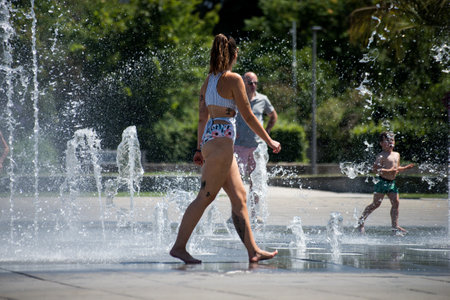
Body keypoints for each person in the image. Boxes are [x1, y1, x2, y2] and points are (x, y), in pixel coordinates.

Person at [170, 34, 281, 264]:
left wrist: (200, 148)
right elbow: (249, 116)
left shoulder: (208, 81)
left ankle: (253, 250)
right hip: (222, 145)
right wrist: (269, 140)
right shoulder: (233, 79)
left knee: (240, 197)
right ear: (234, 55)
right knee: (205, 197)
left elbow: (202, 118)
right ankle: (179, 247)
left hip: (213, 139)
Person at [234, 72, 278, 221]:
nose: (253, 86)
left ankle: (254, 213)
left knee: (256, 182)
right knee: (236, 181)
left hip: (256, 147)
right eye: (250, 83)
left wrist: (266, 132)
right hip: (238, 146)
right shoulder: (237, 98)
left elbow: (273, 116)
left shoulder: (262, 99)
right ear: (243, 83)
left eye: (255, 83)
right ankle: (238, 212)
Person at [356, 132, 414, 235]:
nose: (390, 142)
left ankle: (395, 226)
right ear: (381, 143)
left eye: (392, 140)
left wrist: (405, 168)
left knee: (396, 203)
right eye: (387, 141)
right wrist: (388, 171)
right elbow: (375, 169)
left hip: (392, 183)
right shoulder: (381, 156)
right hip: (381, 182)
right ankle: (361, 221)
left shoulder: (396, 155)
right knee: (376, 204)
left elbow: (396, 168)